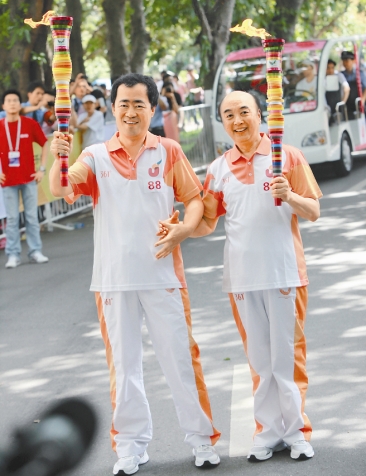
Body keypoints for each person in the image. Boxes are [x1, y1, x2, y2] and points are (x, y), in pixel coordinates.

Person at [49, 73, 220, 475]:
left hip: (163, 276)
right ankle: (130, 447)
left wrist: (184, 229)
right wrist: (56, 156)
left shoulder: (169, 150)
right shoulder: (94, 155)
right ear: (113, 107)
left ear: (153, 108)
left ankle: (201, 440)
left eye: (139, 104)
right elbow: (61, 189)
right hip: (113, 280)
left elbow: (194, 200)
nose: (130, 111)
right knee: (123, 368)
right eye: (123, 104)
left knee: (180, 360)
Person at [159, 90, 322, 463]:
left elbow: (313, 210)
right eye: (228, 114)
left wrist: (290, 196)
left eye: (244, 112)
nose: (237, 120)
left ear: (260, 115)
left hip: (284, 273)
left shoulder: (287, 157)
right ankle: (267, 432)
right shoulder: (218, 169)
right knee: (260, 361)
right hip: (242, 279)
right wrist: (181, 228)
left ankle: (297, 431)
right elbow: (207, 223)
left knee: (288, 358)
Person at [0, 89, 49, 268]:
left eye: (15, 100)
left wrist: (41, 169)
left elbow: (45, 144)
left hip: (29, 178)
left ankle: (35, 251)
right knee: (12, 219)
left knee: (31, 217)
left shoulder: (29, 124)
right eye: (8, 100)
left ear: (20, 105)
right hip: (8, 180)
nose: (12, 103)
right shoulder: (0, 126)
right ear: (3, 105)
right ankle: (13, 254)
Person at [340, 51, 366, 118]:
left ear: (353, 61)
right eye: (343, 61)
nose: (345, 63)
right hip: (348, 107)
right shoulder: (341, 75)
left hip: (360, 105)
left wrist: (362, 101)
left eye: (347, 61)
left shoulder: (360, 73)